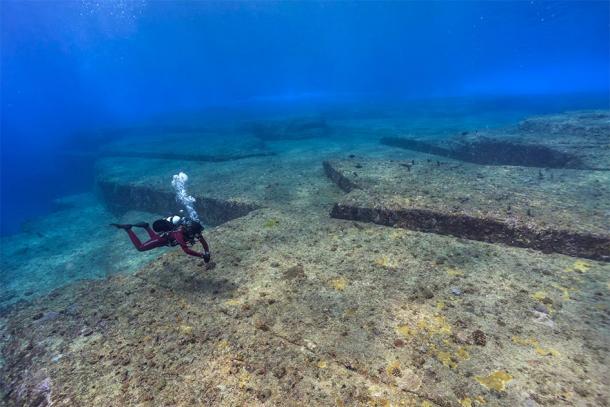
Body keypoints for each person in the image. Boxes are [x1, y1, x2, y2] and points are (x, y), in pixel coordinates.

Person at [111, 215, 211, 263]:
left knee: (156, 241)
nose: (197, 235)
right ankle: (128, 229)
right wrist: (202, 255)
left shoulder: (193, 231)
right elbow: (187, 250)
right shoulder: (178, 233)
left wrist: (207, 252)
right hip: (162, 239)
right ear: (190, 230)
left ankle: (146, 227)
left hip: (165, 240)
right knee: (140, 248)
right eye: (196, 233)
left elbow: (203, 241)